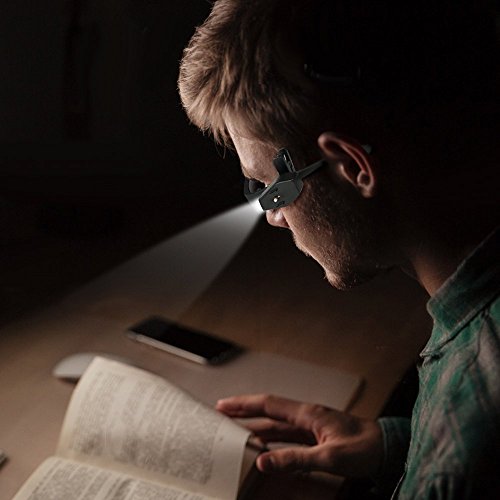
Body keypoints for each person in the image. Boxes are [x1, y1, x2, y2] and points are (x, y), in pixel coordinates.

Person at [178, 0, 500, 498]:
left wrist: (437, 467)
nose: (272, 215)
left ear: (354, 166)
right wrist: (401, 445)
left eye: (272, 187)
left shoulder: (465, 453)